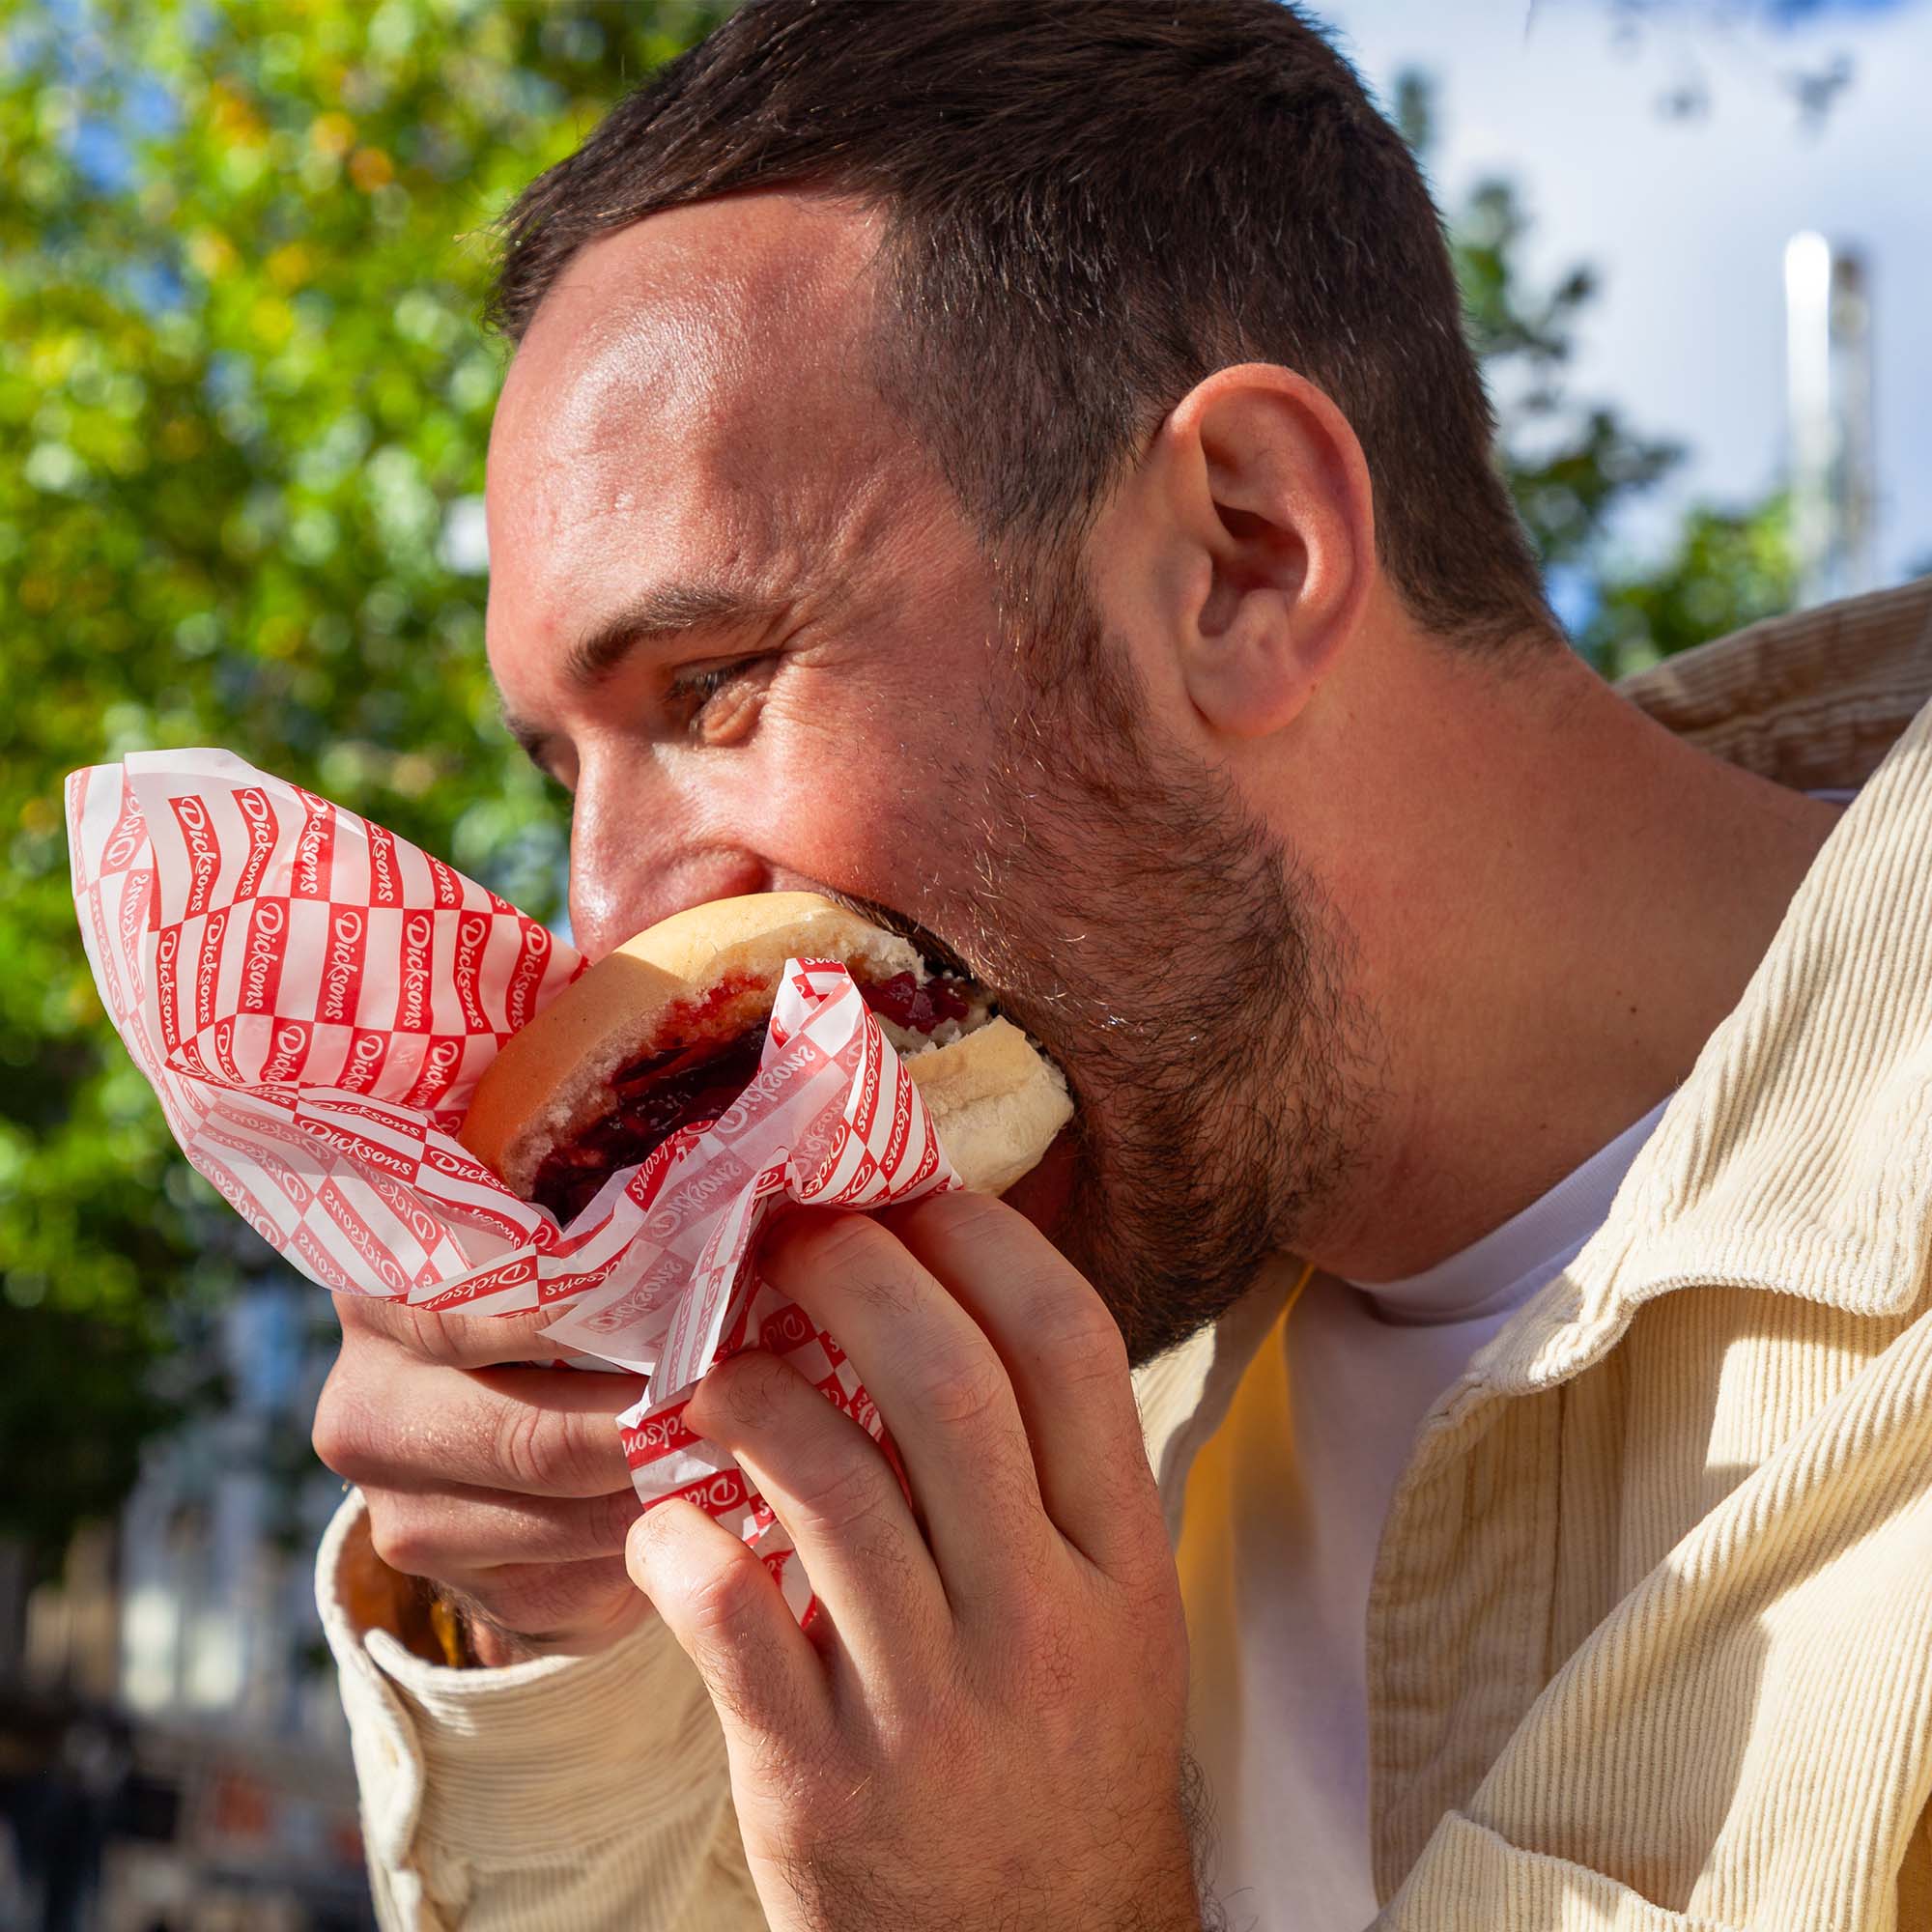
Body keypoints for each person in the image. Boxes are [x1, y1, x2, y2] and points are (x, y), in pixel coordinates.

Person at [309, 2, 1932, 1927]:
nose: (614, 924)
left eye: (714, 684)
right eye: (563, 775)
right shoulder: (1025, 1345)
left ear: (1240, 557)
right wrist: (560, 1638)